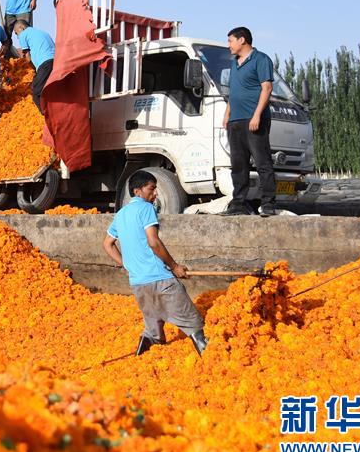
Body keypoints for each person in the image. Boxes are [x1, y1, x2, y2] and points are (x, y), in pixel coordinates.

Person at [102, 170, 207, 356]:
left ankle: (141, 358)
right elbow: (153, 242)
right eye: (151, 189)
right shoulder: (146, 209)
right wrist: (175, 267)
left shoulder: (120, 214)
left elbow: (107, 244)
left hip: (138, 285)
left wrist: (127, 265)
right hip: (161, 281)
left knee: (153, 331)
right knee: (194, 324)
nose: (155, 193)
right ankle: (211, 360)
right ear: (137, 191)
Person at [219, 27, 277, 217]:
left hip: (254, 120)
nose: (229, 45)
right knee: (238, 164)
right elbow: (233, 92)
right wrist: (227, 113)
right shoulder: (234, 64)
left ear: (242, 40)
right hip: (235, 121)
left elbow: (266, 88)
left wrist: (257, 115)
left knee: (262, 162)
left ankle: (268, 203)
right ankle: (238, 204)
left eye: (230, 41)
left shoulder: (261, 59)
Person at [13, 20, 54, 111]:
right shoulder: (43, 32)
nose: (17, 37)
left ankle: (47, 115)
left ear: (21, 28)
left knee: (36, 92)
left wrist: (34, 70)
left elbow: (28, 58)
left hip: (45, 64)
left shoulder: (23, 35)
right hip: (56, 62)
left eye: (16, 33)